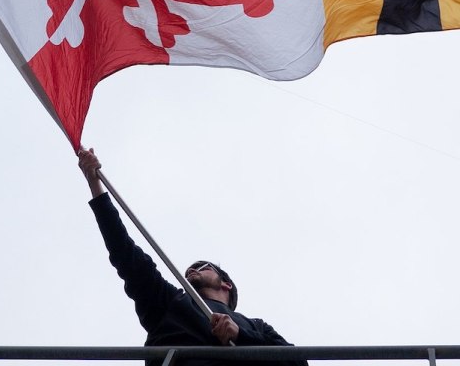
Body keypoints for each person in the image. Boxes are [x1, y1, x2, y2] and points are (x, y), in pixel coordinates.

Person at [78, 148, 307, 366]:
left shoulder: (256, 327)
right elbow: (126, 254)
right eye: (190, 269)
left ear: (226, 283)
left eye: (202, 266)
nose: (191, 271)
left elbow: (297, 362)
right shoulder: (168, 302)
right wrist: (95, 185)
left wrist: (241, 335)